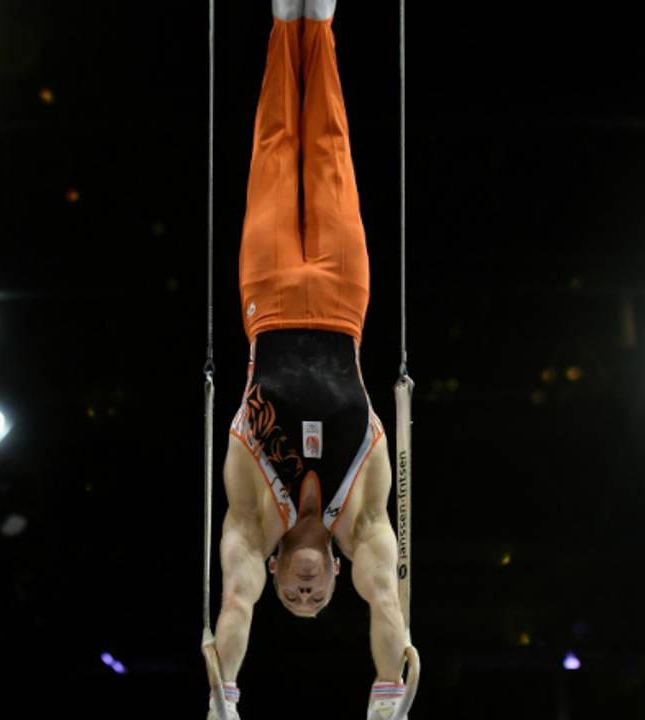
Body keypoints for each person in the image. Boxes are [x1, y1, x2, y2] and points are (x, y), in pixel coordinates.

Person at [208, 1, 407, 718]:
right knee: (328, 153)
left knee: (274, 149)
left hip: (267, 298)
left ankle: (278, 20)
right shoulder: (366, 522)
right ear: (334, 579)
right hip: (343, 301)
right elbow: (387, 598)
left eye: (292, 594)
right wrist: (389, 692)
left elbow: (235, 602)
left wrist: (224, 694)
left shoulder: (251, 518)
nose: (304, 591)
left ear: (275, 573)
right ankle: (316, 20)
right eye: (314, 596)